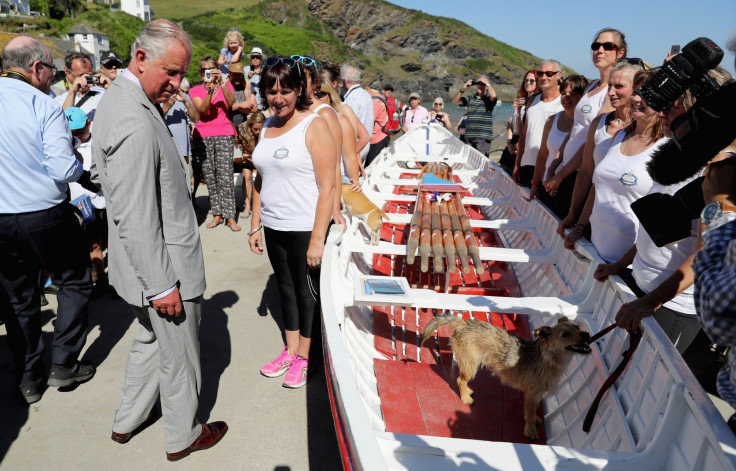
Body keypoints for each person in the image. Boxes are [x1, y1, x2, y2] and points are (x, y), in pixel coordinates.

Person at [91, 19, 227, 460]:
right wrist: (162, 284)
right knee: (180, 355)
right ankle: (183, 434)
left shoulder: (119, 98)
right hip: (163, 269)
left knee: (151, 341)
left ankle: (126, 420)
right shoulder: (133, 116)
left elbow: (100, 176)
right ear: (141, 58)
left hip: (141, 268)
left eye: (182, 72)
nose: (178, 83)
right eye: (171, 72)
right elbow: (135, 213)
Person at [0, 36, 96, 405]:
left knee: (20, 300)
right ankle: (64, 364)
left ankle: (28, 378)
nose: (51, 77)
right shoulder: (42, 103)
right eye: (51, 70)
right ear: (36, 67)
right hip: (43, 213)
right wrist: (78, 162)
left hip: (1, 220)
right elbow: (63, 168)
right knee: (73, 281)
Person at [249, 56, 336, 388]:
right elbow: (261, 179)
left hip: (304, 225)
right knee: (285, 290)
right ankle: (290, 350)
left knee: (305, 293)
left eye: (285, 90)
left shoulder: (315, 126)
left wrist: (317, 239)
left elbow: (329, 186)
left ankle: (305, 358)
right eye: (271, 91)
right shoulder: (269, 126)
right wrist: (256, 224)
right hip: (274, 224)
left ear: (300, 88)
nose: (278, 98)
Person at [585, 70, 667, 268]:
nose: (637, 99)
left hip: (629, 265)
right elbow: (597, 186)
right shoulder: (620, 135)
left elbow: (657, 221)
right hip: (594, 249)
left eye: (647, 95)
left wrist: (620, 265)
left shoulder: (665, 147)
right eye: (636, 92)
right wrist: (579, 227)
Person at [561, 59, 646, 247]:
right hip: (595, 218)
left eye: (619, 86)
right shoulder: (599, 124)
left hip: (628, 232)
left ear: (637, 89)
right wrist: (574, 217)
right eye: (609, 86)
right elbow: (586, 173)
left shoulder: (645, 133)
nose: (611, 92)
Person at [549, 28, 626, 226]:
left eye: (608, 46)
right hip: (567, 172)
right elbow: (575, 130)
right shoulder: (592, 86)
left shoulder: (611, 93)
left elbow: (593, 141)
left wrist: (561, 175)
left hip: (582, 176)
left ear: (621, 52)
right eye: (595, 46)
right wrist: (555, 163)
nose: (599, 50)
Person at [190, 55, 239, 231]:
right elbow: (202, 110)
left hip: (225, 133)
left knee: (225, 175)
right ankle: (217, 214)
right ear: (200, 72)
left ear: (216, 70)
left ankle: (230, 216)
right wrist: (210, 91)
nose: (207, 73)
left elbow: (231, 103)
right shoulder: (195, 90)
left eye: (210, 69)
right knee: (210, 177)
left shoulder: (226, 84)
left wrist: (222, 83)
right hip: (203, 135)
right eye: (204, 70)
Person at [529, 75, 589, 214]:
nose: (566, 97)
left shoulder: (586, 126)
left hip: (571, 188)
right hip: (547, 183)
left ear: (583, 97)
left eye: (573, 94)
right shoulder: (552, 121)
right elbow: (543, 154)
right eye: (563, 93)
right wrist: (535, 183)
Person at [65, 107, 109, 289]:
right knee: (93, 244)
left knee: (111, 242)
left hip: (104, 201)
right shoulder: (65, 147)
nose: (77, 135)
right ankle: (100, 278)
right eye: (71, 132)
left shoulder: (99, 142)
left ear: (89, 123)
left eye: (80, 131)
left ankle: (116, 277)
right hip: (80, 203)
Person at [513, 60, 563, 188]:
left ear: (559, 75)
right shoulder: (532, 101)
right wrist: (517, 163)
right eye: (540, 73)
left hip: (549, 169)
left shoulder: (564, 103)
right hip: (527, 164)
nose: (544, 77)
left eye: (549, 73)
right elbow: (524, 135)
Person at [317, 80, 362, 190]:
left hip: (338, 179)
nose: (316, 98)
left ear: (330, 96)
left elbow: (350, 156)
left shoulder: (341, 120)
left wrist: (355, 181)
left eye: (321, 94)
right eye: (312, 95)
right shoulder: (305, 120)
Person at [500, 69, 539, 172]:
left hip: (524, 147)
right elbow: (511, 124)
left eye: (532, 81)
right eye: (526, 80)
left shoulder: (538, 103)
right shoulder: (521, 99)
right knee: (504, 169)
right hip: (513, 143)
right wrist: (508, 142)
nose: (528, 83)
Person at [164, 80, 200, 186]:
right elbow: (155, 119)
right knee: (170, 185)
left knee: (187, 184)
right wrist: (167, 106)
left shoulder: (184, 97)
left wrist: (186, 101)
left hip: (184, 151)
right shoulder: (159, 97)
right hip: (167, 151)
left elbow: (196, 119)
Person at [452, 74, 498, 156]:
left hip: (483, 138)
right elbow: (455, 101)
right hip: (469, 137)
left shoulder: (489, 100)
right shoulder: (471, 98)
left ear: (487, 87)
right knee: (469, 162)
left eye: (483, 84)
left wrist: (487, 83)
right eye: (478, 83)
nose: (480, 86)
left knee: (481, 163)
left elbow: (494, 96)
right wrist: (463, 89)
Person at [55, 52, 109, 120]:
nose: (85, 78)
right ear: (68, 72)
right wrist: (72, 92)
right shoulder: (61, 99)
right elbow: (65, 121)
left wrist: (110, 86)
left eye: (89, 75)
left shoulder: (102, 93)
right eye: (81, 75)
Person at [340, 64, 374, 160]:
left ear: (345, 81)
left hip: (357, 142)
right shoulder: (366, 94)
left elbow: (350, 123)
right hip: (367, 142)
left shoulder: (352, 97)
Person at [236, 111, 265, 219]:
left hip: (261, 158)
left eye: (260, 129)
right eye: (255, 129)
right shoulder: (242, 129)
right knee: (246, 175)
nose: (258, 132)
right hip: (247, 158)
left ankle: (261, 206)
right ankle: (247, 205)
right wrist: (243, 155)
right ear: (250, 125)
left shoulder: (268, 130)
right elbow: (237, 147)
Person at [365, 86, 390, 167]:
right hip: (384, 135)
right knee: (379, 163)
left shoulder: (374, 102)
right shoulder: (381, 99)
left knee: (371, 165)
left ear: (367, 89)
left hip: (376, 138)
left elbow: (370, 120)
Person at [244, 46, 264, 111]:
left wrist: (262, 74)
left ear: (261, 59)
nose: (255, 59)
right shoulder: (245, 69)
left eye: (257, 57)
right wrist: (248, 77)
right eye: (253, 57)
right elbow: (240, 84)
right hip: (248, 105)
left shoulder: (266, 70)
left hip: (262, 105)